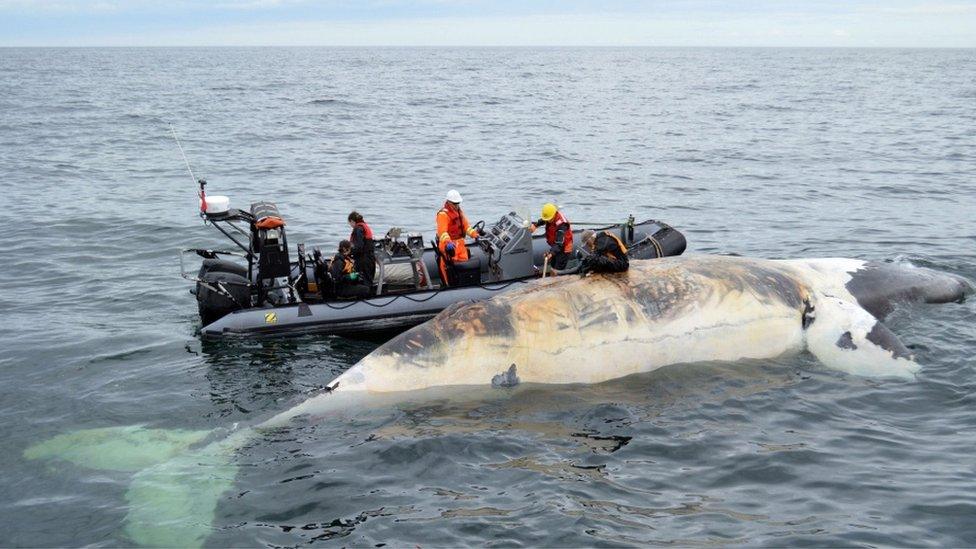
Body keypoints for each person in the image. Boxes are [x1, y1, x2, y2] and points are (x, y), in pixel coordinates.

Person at [436, 189, 483, 286]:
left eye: (458, 203)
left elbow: (466, 227)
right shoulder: (443, 215)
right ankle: (449, 285)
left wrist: (475, 234)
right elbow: (442, 232)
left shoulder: (459, 212)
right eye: (454, 204)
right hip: (449, 246)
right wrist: (448, 242)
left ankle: (465, 284)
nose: (456, 206)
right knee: (448, 268)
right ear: (448, 202)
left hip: (460, 245)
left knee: (463, 268)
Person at [529, 203, 573, 271]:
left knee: (557, 270)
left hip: (564, 247)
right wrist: (536, 225)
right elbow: (544, 219)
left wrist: (551, 253)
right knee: (552, 266)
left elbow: (559, 243)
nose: (548, 221)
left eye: (549, 219)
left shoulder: (562, 224)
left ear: (554, 214)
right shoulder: (550, 217)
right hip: (555, 246)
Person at [347, 211, 375, 287]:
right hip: (370, 258)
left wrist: (349, 254)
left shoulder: (358, 229)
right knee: (368, 279)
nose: (351, 226)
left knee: (364, 281)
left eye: (350, 223)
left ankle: (366, 297)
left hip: (363, 260)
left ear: (352, 221)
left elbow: (359, 247)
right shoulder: (364, 226)